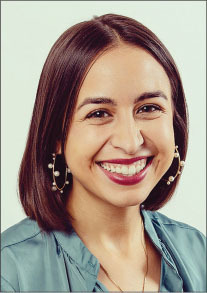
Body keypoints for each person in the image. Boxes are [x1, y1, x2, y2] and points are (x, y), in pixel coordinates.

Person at [1, 13, 206, 292]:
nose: (130, 142)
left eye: (148, 108)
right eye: (99, 113)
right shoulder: (10, 272)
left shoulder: (199, 253)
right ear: (56, 136)